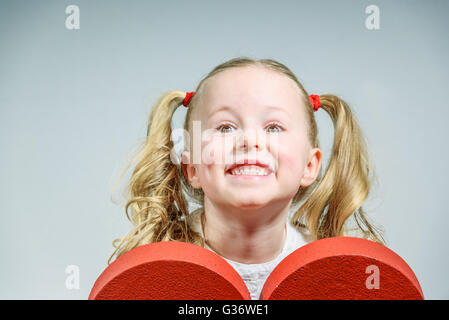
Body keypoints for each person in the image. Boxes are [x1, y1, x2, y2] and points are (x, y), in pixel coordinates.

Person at [108, 57, 385, 300]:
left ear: (309, 166)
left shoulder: (332, 272)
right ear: (192, 167)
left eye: (274, 127)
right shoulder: (157, 270)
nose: (250, 140)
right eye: (226, 127)